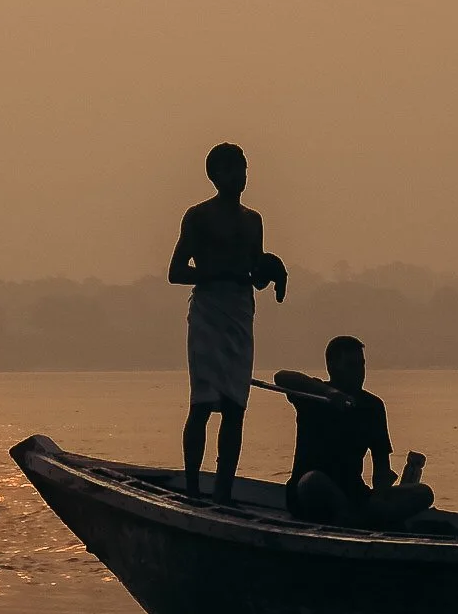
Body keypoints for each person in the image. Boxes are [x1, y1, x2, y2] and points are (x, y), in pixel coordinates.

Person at [169, 143, 285, 503]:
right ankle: (191, 488)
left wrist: (274, 272)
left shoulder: (254, 220)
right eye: (233, 170)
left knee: (235, 407)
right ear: (215, 175)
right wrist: (217, 272)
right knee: (202, 404)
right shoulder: (198, 216)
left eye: (244, 170)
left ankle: (222, 491)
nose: (241, 177)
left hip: (239, 314)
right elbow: (175, 272)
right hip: (208, 313)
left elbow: (255, 274)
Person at [275, 334, 434, 527]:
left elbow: (381, 467)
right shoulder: (314, 396)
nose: (359, 372)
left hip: (355, 494)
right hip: (309, 494)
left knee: (423, 493)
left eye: (362, 365)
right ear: (332, 367)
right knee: (312, 481)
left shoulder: (372, 406)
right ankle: (362, 517)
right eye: (351, 365)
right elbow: (281, 377)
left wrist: (379, 494)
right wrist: (329, 393)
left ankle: (361, 516)